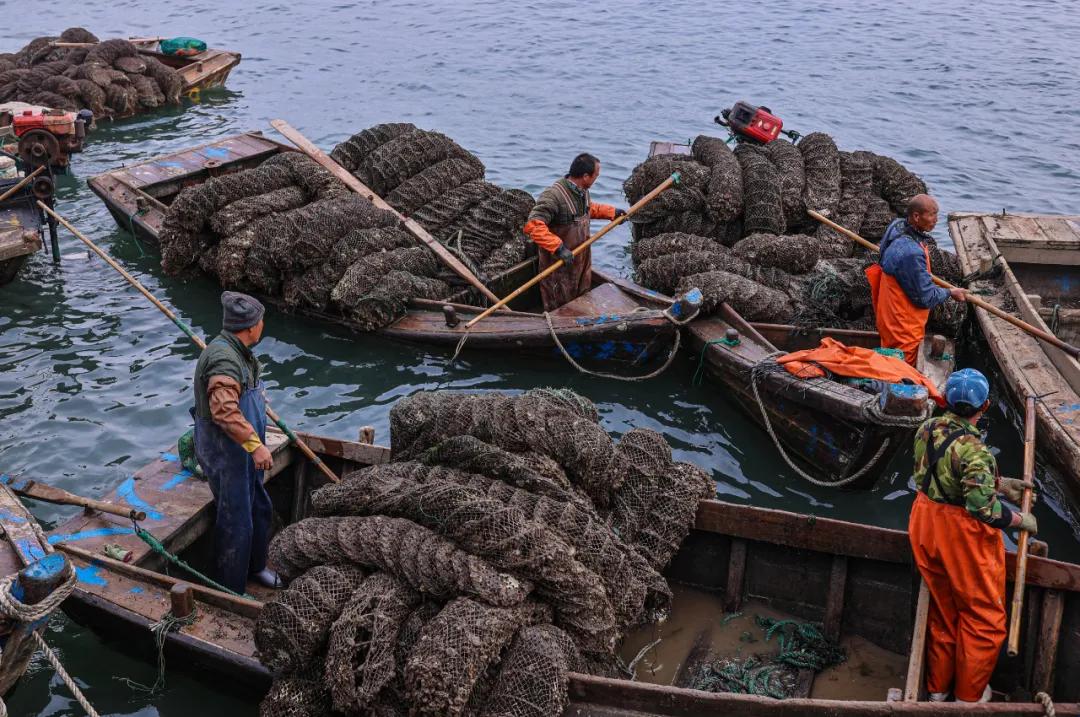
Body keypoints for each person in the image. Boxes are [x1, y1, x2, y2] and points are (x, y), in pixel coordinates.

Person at [908, 368, 1037, 703]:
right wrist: (1019, 518)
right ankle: (968, 698)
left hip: (924, 523)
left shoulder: (926, 428)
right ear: (986, 405)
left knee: (944, 610)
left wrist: (997, 483)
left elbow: (941, 471)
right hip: (960, 535)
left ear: (947, 400)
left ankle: (938, 690)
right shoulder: (977, 451)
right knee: (983, 620)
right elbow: (982, 510)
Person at [192, 291, 280, 593]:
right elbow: (223, 409)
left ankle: (256, 567)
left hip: (243, 449)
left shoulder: (241, 352)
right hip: (225, 452)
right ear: (251, 326)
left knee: (259, 507)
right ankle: (230, 589)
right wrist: (255, 446)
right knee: (235, 520)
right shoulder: (223, 359)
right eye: (262, 320)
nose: (263, 325)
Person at [865, 194, 967, 365]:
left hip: (887, 313)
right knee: (902, 365)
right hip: (903, 324)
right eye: (931, 214)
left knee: (890, 352)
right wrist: (950, 292)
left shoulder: (896, 227)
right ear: (916, 216)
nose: (936, 220)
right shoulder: (911, 252)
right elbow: (925, 298)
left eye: (937, 214)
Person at [523, 153, 627, 310]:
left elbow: (588, 209)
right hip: (558, 265)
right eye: (596, 175)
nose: (597, 178)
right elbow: (533, 226)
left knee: (581, 295)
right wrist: (558, 247)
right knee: (559, 303)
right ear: (585, 176)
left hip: (580, 261)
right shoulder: (554, 196)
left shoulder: (582, 191)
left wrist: (612, 212)